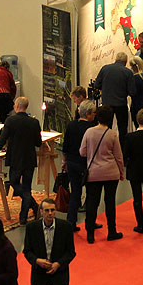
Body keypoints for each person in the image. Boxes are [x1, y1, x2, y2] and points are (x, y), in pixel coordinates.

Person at [0, 96, 42, 226]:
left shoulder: (10, 121)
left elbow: (2, 141)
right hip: (29, 159)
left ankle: (33, 206)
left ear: (16, 106)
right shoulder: (34, 122)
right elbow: (38, 143)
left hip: (16, 159)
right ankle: (24, 216)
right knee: (27, 187)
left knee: (14, 183)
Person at [79, 106, 125, 243]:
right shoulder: (112, 134)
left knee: (92, 203)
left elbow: (82, 152)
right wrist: (121, 172)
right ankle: (112, 231)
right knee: (110, 202)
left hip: (93, 173)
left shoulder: (89, 132)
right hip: (111, 173)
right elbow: (118, 156)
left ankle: (90, 234)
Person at [61, 99, 96, 231]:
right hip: (86, 164)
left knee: (75, 193)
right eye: (94, 113)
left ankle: (71, 221)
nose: (95, 115)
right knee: (91, 194)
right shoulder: (92, 129)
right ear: (88, 114)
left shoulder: (71, 125)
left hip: (71, 162)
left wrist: (64, 161)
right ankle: (90, 222)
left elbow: (65, 145)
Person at [95, 52, 136, 138]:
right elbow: (132, 92)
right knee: (122, 129)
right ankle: (121, 145)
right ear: (125, 62)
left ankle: (107, 143)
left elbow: (96, 85)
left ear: (115, 59)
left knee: (106, 128)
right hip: (121, 104)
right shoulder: (128, 72)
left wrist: (105, 89)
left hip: (106, 104)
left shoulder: (105, 69)